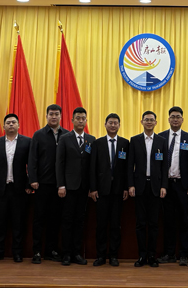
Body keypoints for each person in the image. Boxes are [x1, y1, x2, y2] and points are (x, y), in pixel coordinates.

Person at [0, 114, 32, 263]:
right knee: (0, 222)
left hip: (20, 189)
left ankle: (17, 253)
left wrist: (29, 184)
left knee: (18, 223)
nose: (11, 125)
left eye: (13, 122)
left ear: (18, 125)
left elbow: (31, 165)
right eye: (8, 123)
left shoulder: (27, 142)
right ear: (3, 126)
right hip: (1, 189)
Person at [127, 110, 168, 268]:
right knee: (140, 223)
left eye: (152, 120)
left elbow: (164, 166)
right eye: (146, 120)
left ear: (156, 123)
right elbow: (130, 165)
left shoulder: (161, 141)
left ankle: (152, 256)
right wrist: (131, 185)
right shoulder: (135, 140)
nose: (149, 122)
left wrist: (164, 185)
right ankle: (141, 256)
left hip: (156, 187)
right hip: (139, 186)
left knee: (154, 224)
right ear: (142, 122)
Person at [28, 104, 67, 264]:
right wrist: (33, 179)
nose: (54, 117)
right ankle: (37, 251)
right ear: (46, 116)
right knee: (39, 219)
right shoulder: (38, 135)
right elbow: (32, 159)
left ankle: (51, 250)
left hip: (60, 186)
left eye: (57, 114)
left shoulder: (67, 135)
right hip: (42, 184)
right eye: (51, 114)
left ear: (61, 116)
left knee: (55, 219)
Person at [156, 106, 188, 266]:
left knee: (185, 220)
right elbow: (157, 161)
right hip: (166, 185)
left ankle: (184, 254)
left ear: (182, 119)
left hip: (182, 185)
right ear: (168, 119)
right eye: (172, 116)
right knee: (168, 221)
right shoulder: (161, 137)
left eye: (178, 117)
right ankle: (169, 253)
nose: (175, 119)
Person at [56, 107, 95, 266]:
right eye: (77, 118)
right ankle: (66, 254)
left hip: (84, 188)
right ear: (72, 120)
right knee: (67, 220)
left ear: (86, 121)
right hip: (68, 187)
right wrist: (61, 185)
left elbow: (92, 166)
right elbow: (59, 163)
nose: (80, 121)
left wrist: (92, 187)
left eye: (83, 118)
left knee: (80, 221)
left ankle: (76, 253)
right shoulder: (65, 138)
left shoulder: (91, 140)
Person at [89, 113, 129, 267]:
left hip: (118, 191)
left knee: (115, 225)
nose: (113, 125)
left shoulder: (125, 143)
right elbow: (92, 167)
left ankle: (113, 255)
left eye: (115, 123)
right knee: (101, 224)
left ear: (119, 125)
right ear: (105, 124)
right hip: (101, 190)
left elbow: (127, 168)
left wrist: (125, 187)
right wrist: (93, 188)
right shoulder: (97, 143)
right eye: (110, 123)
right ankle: (100, 256)